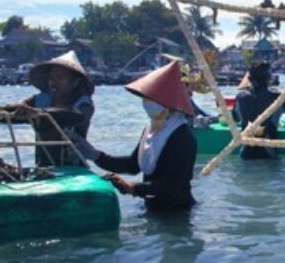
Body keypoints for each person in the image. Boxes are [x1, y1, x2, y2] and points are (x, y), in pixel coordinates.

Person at [71, 61, 196, 211]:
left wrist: (133, 188)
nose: (147, 103)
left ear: (168, 103)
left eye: (152, 99)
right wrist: (97, 156)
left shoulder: (183, 137)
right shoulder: (152, 129)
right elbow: (133, 165)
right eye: (146, 98)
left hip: (177, 212)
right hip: (152, 207)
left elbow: (171, 186)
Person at [0, 51, 95, 166]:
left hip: (74, 167)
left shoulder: (84, 104)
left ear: (75, 82)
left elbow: (76, 115)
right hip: (43, 166)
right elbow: (17, 111)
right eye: (51, 77)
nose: (54, 82)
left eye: (60, 77)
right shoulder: (42, 100)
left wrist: (39, 112)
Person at [234, 61, 285, 159]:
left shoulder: (240, 98)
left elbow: (235, 118)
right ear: (268, 78)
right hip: (268, 157)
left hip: (245, 155)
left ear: (249, 79)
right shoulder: (276, 98)